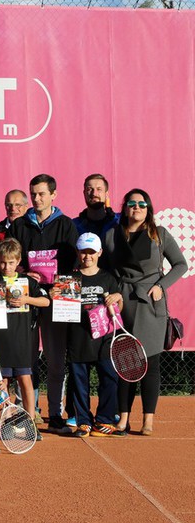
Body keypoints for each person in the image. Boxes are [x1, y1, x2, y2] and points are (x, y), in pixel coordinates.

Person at [103, 189, 187, 435]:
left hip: (151, 304)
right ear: (125, 208)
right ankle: (123, 418)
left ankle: (148, 420)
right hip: (123, 304)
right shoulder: (112, 236)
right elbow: (108, 273)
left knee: (150, 362)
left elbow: (180, 265)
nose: (136, 207)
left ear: (148, 208)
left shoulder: (159, 234)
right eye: (132, 203)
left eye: (142, 204)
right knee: (125, 363)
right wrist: (115, 292)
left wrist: (161, 285)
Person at [7, 174, 79, 433]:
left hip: (56, 300)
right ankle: (30, 411)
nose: (37, 199)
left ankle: (55, 414)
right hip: (23, 299)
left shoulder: (66, 225)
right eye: (33, 194)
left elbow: (73, 265)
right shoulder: (19, 226)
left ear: (53, 195)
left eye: (41, 194)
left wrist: (57, 279)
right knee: (24, 358)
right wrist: (25, 272)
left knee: (56, 358)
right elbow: (11, 258)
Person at [0, 238, 48, 427]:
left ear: (18, 262)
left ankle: (30, 420)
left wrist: (27, 299)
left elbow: (46, 301)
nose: (6, 266)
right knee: (2, 383)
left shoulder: (27, 282)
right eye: (2, 262)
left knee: (25, 379)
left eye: (10, 262)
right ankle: (1, 420)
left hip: (22, 339)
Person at [67, 233, 125, 437]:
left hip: (104, 340)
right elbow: (61, 311)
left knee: (109, 379)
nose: (87, 256)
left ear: (100, 252)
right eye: (83, 251)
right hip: (78, 338)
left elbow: (118, 309)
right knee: (79, 382)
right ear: (77, 252)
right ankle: (83, 421)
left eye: (92, 252)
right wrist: (55, 297)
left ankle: (105, 419)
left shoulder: (108, 278)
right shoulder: (69, 279)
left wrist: (118, 298)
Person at [73, 174, 121, 247]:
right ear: (84, 193)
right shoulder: (74, 226)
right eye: (89, 189)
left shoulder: (119, 223)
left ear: (106, 194)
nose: (94, 193)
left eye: (99, 189)